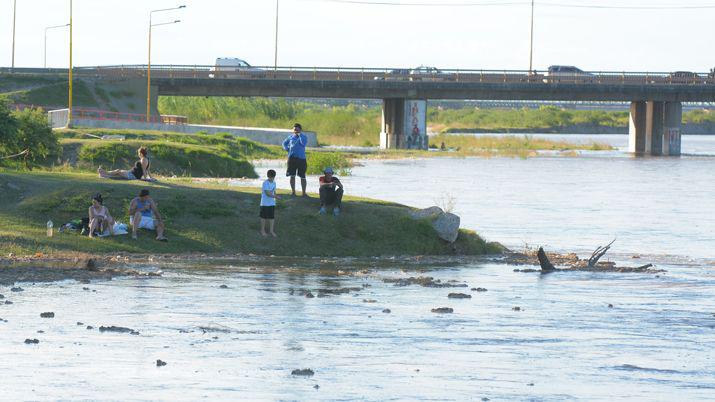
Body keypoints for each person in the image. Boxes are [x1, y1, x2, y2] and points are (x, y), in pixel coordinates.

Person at [282, 123, 308, 197]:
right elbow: (284, 143)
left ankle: (304, 193)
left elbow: (303, 144)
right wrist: (287, 148)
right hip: (292, 158)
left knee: (302, 176)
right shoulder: (290, 137)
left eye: (297, 129)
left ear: (300, 129)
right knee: (292, 175)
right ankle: (293, 192)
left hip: (301, 159)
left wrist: (300, 136)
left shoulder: (304, 137)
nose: (295, 130)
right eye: (294, 129)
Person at [260, 169, 279, 237]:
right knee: (263, 217)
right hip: (264, 203)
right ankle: (262, 230)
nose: (272, 179)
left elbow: (274, 192)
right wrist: (276, 197)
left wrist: (275, 198)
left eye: (273, 177)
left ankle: (271, 231)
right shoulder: (265, 183)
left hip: (272, 203)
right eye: (270, 177)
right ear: (268, 176)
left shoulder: (274, 183)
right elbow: (267, 193)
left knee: (271, 217)